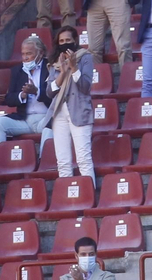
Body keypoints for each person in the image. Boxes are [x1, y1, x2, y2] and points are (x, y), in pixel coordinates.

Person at [0, 35, 54, 166]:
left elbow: (55, 95)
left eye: (29, 53)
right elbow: (9, 99)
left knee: (53, 125)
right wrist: (22, 95)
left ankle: (43, 163)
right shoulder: (17, 70)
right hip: (24, 119)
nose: (25, 57)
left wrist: (37, 92)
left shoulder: (50, 68)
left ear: (40, 53)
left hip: (45, 117)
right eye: (23, 54)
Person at [46, 25, 94, 179]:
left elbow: (85, 87)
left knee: (83, 160)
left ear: (75, 41)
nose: (65, 43)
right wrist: (62, 72)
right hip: (59, 113)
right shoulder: (55, 61)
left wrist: (74, 68)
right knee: (63, 162)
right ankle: (66, 194)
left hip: (79, 111)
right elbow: (49, 92)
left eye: (68, 40)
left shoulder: (85, 57)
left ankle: (89, 192)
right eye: (61, 41)